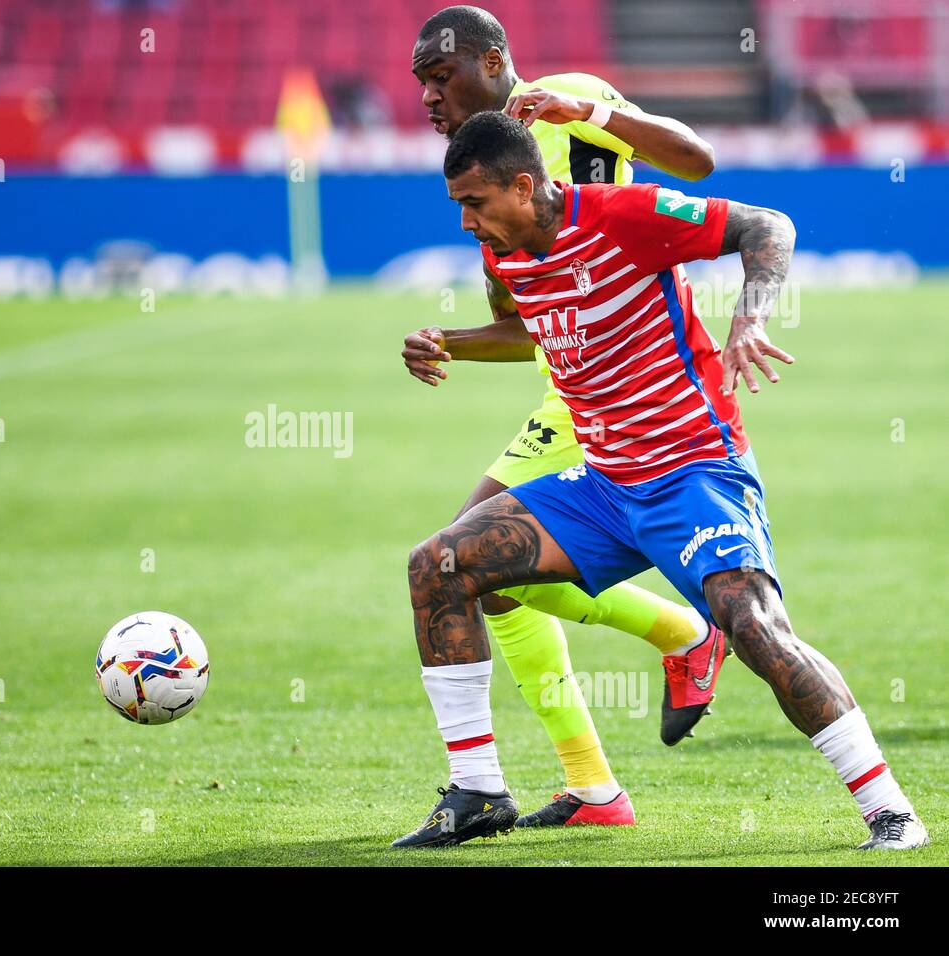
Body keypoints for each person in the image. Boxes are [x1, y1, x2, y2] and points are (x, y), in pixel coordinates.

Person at [392, 110, 928, 852]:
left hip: (693, 470)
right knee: (439, 564)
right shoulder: (505, 256)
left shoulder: (624, 215)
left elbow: (767, 226)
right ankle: (479, 790)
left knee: (755, 627)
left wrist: (750, 318)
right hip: (602, 488)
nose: (465, 222)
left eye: (474, 202)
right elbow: (537, 330)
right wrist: (446, 342)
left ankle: (891, 811)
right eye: (457, 205)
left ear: (524, 184)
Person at [403, 4, 723, 829]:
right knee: (475, 572)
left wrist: (590, 111)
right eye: (422, 86)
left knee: (458, 560)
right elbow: (526, 329)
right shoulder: (475, 176)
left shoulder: (569, 101)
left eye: (442, 78)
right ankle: (593, 787)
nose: (431, 98)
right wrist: (453, 343)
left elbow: (696, 163)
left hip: (633, 380)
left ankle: (678, 641)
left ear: (495, 60)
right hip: (570, 388)